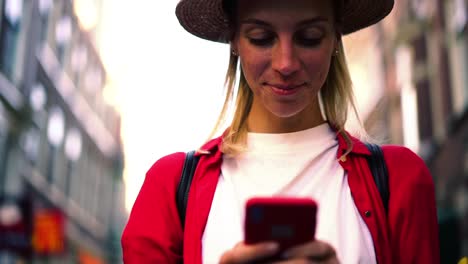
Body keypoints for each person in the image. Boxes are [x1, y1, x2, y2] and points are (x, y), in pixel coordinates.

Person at [121, 0, 440, 263]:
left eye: (310, 37)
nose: (285, 63)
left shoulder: (400, 179)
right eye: (261, 37)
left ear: (334, 39)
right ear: (234, 40)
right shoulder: (170, 188)